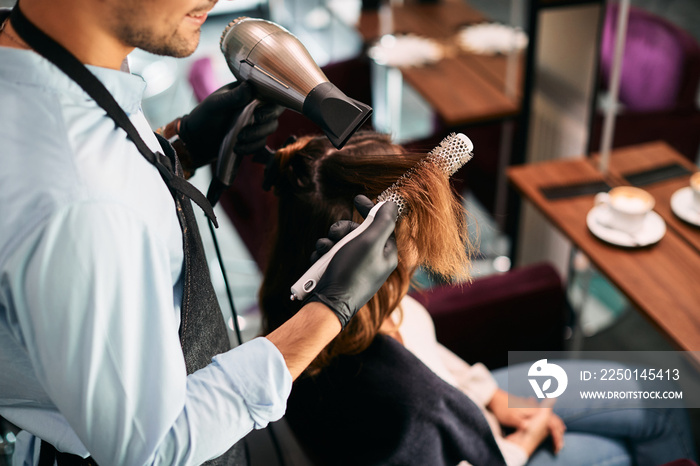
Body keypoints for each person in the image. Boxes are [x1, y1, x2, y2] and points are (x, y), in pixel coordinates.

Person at [0, 1, 399, 465]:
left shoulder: (33, 55)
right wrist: (329, 309)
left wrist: (180, 147)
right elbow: (151, 448)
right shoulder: (82, 203)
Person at [258, 132, 697, 466]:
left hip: (465, 406)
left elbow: (433, 361)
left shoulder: (302, 304)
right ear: (370, 241)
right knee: (626, 446)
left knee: (656, 396)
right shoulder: (400, 401)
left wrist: (492, 396)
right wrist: (524, 439)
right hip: (487, 451)